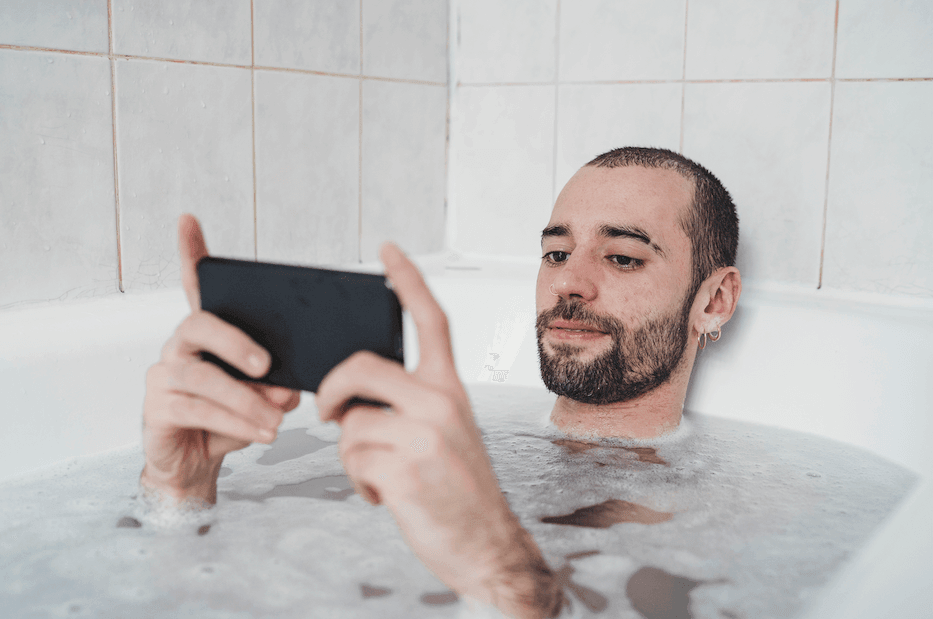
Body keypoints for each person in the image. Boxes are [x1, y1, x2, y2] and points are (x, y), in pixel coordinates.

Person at [139, 147, 741, 619]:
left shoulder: (740, 528)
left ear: (714, 300)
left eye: (622, 258)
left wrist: (499, 570)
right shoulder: (460, 434)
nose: (569, 283)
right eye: (556, 254)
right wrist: (178, 496)